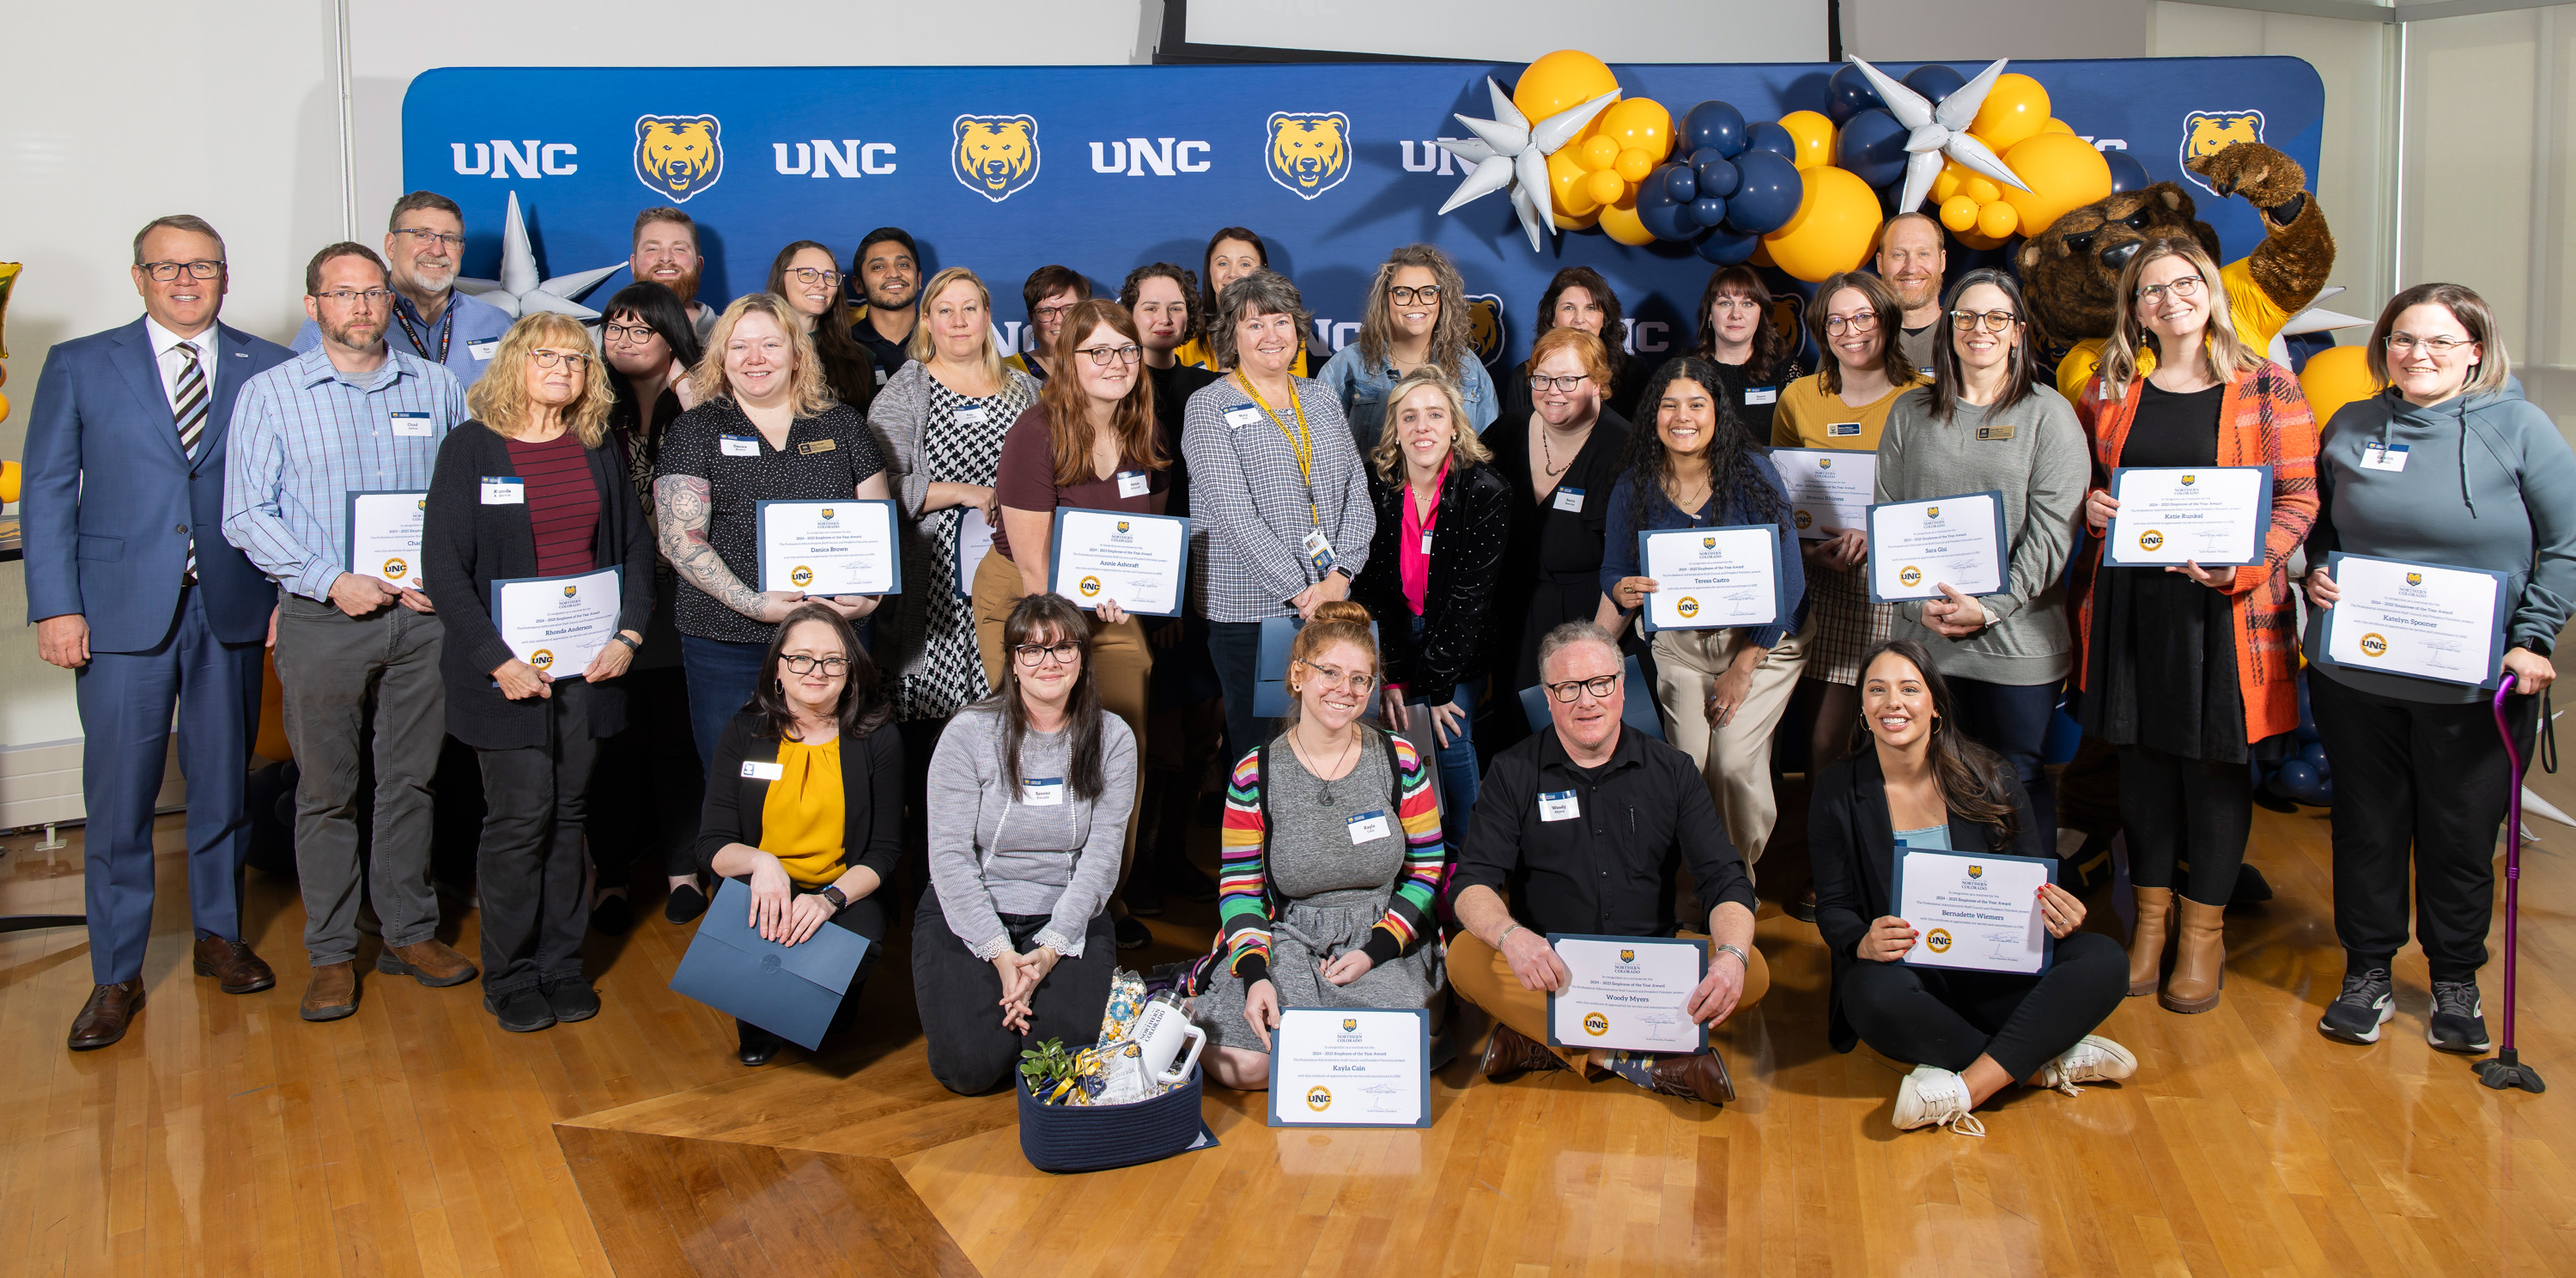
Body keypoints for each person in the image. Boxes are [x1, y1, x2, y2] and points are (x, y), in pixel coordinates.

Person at [24, 214, 295, 1050]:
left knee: (221, 784)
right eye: (167, 266)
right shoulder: (79, 364)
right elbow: (44, 491)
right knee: (119, 802)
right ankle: (115, 974)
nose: (186, 280)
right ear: (138, 276)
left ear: (224, 275)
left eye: (202, 265)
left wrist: (290, 590)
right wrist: (56, 607)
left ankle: (218, 934)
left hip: (234, 607)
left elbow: (292, 487)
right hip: (113, 615)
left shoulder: (271, 366)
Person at [2302, 283, 2575, 1051]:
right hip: (2358, 676)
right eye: (2402, 340)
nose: (2417, 355)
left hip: (2476, 683)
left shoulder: (2520, 429)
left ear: (2476, 352)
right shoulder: (2353, 425)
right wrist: (2316, 571)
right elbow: (2320, 528)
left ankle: (2456, 979)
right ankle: (2368, 971)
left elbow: (2567, 547)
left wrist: (2536, 637)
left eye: (2439, 342)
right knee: (2367, 827)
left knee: (2459, 835)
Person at [222, 242, 477, 1022]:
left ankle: (407, 929)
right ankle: (331, 953)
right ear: (315, 306)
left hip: (422, 622)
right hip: (325, 617)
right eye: (343, 295)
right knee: (327, 792)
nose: (361, 308)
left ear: (389, 304)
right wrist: (333, 580)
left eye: (373, 295)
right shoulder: (272, 395)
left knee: (410, 782)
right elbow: (244, 513)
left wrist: (451, 569)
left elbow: (465, 494)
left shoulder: (435, 386)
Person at [2071, 240, 2320, 1013]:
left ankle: (2203, 935)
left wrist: (2242, 568)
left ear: (2210, 291)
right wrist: (2092, 508)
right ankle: (2150, 923)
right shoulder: (2114, 387)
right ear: (2133, 307)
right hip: (2133, 604)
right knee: (2141, 765)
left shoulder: (2270, 388)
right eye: (2151, 290)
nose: (2169, 299)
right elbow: (2092, 485)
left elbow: (2300, 504)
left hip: (2223, 610)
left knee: (2213, 770)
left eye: (2184, 284)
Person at [420, 313, 655, 1032]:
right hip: (507, 675)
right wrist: (498, 660)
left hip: (589, 668)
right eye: (545, 355)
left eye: (576, 359)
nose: (562, 368)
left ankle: (560, 965)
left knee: (571, 816)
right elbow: (444, 572)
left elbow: (635, 551)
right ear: (515, 363)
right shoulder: (470, 449)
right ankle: (511, 973)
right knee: (521, 819)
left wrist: (630, 634)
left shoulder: (596, 446)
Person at [1809, 641, 2134, 1135]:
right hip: (1910, 974)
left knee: (2105, 958)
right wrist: (1862, 940)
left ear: (1935, 706)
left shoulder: (1991, 775)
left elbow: (2032, 882)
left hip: (1997, 970)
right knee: (1868, 996)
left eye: (1909, 689)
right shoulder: (1838, 790)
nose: (1892, 702)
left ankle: (1970, 1086)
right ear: (1863, 709)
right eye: (1877, 690)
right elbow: (1834, 908)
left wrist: (2058, 912)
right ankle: (2041, 1062)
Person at [1448, 623, 1768, 1105]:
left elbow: (1726, 881)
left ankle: (1542, 1041)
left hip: (1650, 962)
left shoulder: (1673, 770)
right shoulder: (1512, 770)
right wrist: (1514, 939)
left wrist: (1730, 957)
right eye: (1568, 688)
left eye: (1600, 684)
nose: (1586, 701)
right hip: (1552, 967)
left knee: (1753, 969)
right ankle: (1630, 1059)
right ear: (1548, 697)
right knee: (1465, 959)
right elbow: (1472, 883)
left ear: (1621, 688)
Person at [976, 298, 1169, 948]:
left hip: (1103, 603)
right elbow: (1036, 571)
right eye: (1097, 351)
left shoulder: (1148, 430)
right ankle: (1030, 898)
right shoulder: (1036, 431)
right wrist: (1069, 640)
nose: (1114, 363)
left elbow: (1141, 544)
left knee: (1120, 744)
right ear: (1068, 359)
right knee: (1043, 744)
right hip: (1029, 602)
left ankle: (1101, 898)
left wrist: (1130, 593)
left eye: (1126, 350)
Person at [1875, 269, 2087, 852]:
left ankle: (2030, 930)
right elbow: (1890, 518)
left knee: (2013, 780)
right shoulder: (1910, 413)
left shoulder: (2050, 415)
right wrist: (1920, 604)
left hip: (2016, 643)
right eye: (1966, 316)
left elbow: (2050, 534)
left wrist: (1990, 607)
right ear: (1949, 327)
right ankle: (1944, 924)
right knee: (1926, 783)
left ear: (2018, 332)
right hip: (1925, 638)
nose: (1980, 329)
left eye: (1997, 317)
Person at [1194, 601, 1446, 1089]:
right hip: (1286, 934)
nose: (1344, 690)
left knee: (1388, 1054)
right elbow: (1241, 888)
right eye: (1329, 672)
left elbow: (1428, 867)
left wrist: (1377, 948)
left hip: (1382, 935)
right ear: (1297, 674)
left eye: (1360, 679)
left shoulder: (1399, 758)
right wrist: (1254, 972)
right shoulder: (1255, 772)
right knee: (1243, 1064)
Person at [653, 293, 889, 770]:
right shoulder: (695, 430)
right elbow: (679, 539)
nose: (755, 359)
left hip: (831, 636)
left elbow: (876, 523)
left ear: (798, 354)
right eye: (739, 347)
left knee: (837, 769)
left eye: (770, 344)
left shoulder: (843, 425)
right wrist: (755, 604)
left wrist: (871, 596)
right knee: (738, 773)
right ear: (721, 357)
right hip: (728, 640)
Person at [915, 594, 1138, 1094]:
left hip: (1065, 913)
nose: (1049, 662)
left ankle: (1034, 1007)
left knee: (1062, 1063)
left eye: (1063, 648)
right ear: (1013, 662)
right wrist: (1001, 957)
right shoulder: (969, 733)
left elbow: (1103, 857)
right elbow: (949, 858)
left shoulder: (1113, 737)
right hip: (973, 907)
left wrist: (1050, 951)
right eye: (1032, 650)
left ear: (1082, 658)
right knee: (970, 1070)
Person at [1599, 357, 1807, 866]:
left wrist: (1743, 666)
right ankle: (1701, 877)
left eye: (1697, 404)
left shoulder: (1753, 473)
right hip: (1683, 647)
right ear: (1653, 414)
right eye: (1668, 405)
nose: (1682, 416)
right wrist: (1623, 589)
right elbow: (1613, 571)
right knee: (1688, 764)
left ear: (1718, 413)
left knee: (1734, 765)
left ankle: (1736, 887)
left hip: (1762, 643)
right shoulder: (1634, 484)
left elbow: (1791, 582)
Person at [1182, 269, 1375, 769]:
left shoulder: (1319, 396)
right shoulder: (1208, 407)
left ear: (1297, 329)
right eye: (1253, 324)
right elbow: (1231, 514)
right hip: (1249, 608)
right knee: (1258, 748)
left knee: (1328, 739)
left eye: (1281, 321)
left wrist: (1340, 576)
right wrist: (1300, 591)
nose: (1271, 335)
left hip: (1331, 597)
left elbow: (1357, 490)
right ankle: (1254, 847)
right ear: (1231, 335)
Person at [696, 603, 904, 1065]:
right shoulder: (745, 733)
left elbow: (885, 852)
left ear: (850, 672)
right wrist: (762, 863)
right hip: (764, 886)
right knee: (761, 935)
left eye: (832, 659)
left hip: (841, 887)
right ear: (777, 669)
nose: (817, 671)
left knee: (860, 947)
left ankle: (829, 995)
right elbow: (712, 845)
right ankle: (763, 1018)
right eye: (801, 658)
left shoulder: (877, 737)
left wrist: (828, 900)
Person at [1776, 271, 1923, 809]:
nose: (1850, 330)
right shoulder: (1798, 398)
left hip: (1900, 588)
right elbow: (1784, 498)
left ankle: (1895, 856)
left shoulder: (1924, 398)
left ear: (1886, 320)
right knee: (1825, 742)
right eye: (1836, 320)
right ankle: (1828, 865)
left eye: (1863, 316)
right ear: (1821, 329)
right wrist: (1808, 551)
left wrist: (1879, 533)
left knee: (1900, 738)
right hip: (1829, 584)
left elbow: (1936, 500)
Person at [872, 267, 1041, 733]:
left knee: (1011, 711)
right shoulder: (905, 391)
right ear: (927, 321)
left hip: (1009, 565)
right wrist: (963, 493)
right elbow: (877, 488)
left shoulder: (1025, 390)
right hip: (934, 585)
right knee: (933, 728)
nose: (960, 320)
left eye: (970, 308)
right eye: (946, 310)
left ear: (987, 316)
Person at [592, 281, 711, 926]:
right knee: (614, 741)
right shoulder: (589, 409)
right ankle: (610, 875)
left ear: (672, 337)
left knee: (674, 740)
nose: (625, 340)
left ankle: (681, 867)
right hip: (607, 600)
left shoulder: (702, 403)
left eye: (642, 329)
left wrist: (691, 392)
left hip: (687, 595)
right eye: (615, 328)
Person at [1350, 370, 1509, 830]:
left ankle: (1464, 862)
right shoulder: (1373, 487)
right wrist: (1393, 676)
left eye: (1435, 415)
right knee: (1392, 733)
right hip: (1391, 632)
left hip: (1459, 640)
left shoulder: (1487, 491)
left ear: (1455, 427)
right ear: (1395, 432)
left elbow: (1470, 600)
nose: (1423, 427)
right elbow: (1373, 589)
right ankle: (1406, 858)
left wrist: (1437, 690)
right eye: (1410, 417)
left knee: (1448, 735)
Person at [1120, 263, 1225, 910]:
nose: (1164, 319)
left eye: (1176, 308)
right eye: (1150, 307)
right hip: (1144, 582)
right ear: (1129, 313)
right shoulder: (1116, 382)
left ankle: (1173, 854)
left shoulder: (1207, 387)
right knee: (1153, 740)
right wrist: (1161, 597)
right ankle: (1138, 870)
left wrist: (1190, 590)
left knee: (1199, 734)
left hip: (1206, 575)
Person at [1485, 328, 1635, 703]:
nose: (1554, 391)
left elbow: (1631, 567)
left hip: (1591, 620)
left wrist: (1594, 653)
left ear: (1598, 382)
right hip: (1513, 619)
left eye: (1569, 380)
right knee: (1517, 737)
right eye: (1542, 378)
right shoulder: (1507, 433)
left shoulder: (1626, 449)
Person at [291, 192, 512, 388]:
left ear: (461, 250)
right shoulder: (337, 322)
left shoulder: (497, 324)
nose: (437, 250)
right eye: (422, 235)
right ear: (391, 245)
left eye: (449, 239)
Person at [1318, 243, 1498, 455]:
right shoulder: (1346, 367)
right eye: (1403, 293)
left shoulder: (1468, 368)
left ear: (1442, 300)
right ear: (1386, 300)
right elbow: (1319, 453)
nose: (1416, 302)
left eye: (1428, 292)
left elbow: (1490, 450)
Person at [1496, 267, 1643, 427]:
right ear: (1552, 318)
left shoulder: (1633, 374)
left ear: (1604, 319)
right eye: (1569, 308)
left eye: (1590, 308)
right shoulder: (1524, 377)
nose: (1579, 319)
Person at [1174, 228, 1312, 376]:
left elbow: (1294, 391)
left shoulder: (1284, 331)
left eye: (1245, 264)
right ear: (1209, 269)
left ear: (1262, 270)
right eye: (1223, 264)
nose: (1233, 274)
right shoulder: (1185, 331)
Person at [1692, 265, 1803, 447]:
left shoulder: (1785, 369)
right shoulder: (1687, 370)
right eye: (1725, 303)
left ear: (1761, 313)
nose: (1736, 314)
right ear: (1710, 314)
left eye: (1747, 304)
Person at [766, 240, 877, 413]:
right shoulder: (752, 352)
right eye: (808, 274)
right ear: (781, 278)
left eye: (829, 276)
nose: (821, 284)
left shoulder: (859, 358)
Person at [1875, 212, 1948, 376]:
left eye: (1923, 254)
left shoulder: (1969, 337)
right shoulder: (1854, 339)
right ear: (1880, 263)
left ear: (1942, 261)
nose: (1911, 268)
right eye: (1899, 255)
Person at [846, 227, 920, 385]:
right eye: (878, 267)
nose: (893, 274)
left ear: (919, 279)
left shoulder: (945, 341)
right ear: (858, 285)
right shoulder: (841, 349)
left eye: (903, 265)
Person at [630, 208, 716, 342]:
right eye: (652, 248)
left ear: (699, 264)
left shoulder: (734, 337)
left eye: (679, 249)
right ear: (633, 264)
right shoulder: (596, 341)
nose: (665, 258)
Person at [1003, 265, 1090, 384]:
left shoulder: (1106, 369)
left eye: (1068, 309)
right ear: (1031, 318)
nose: (1058, 320)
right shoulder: (1006, 372)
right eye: (1046, 311)